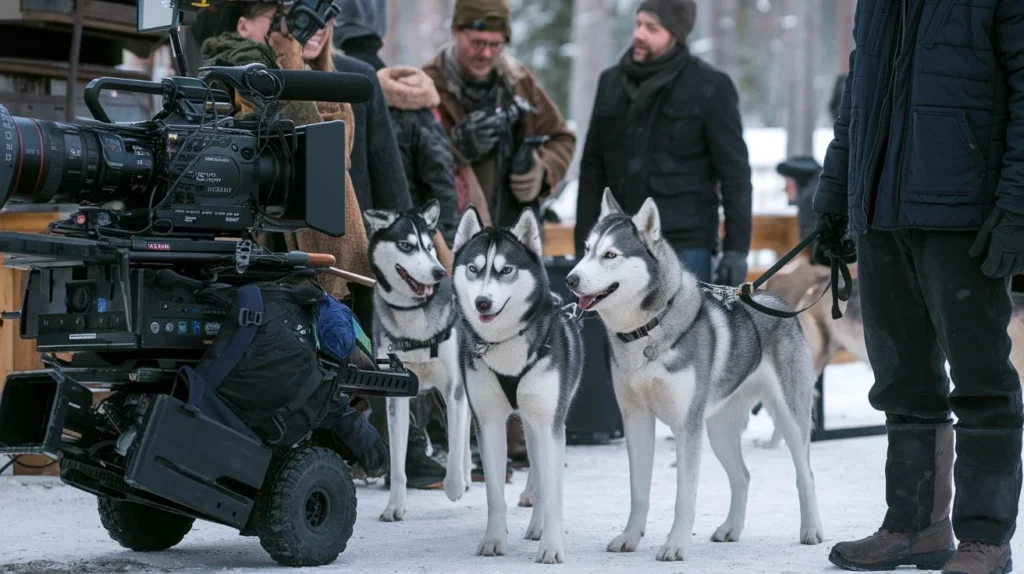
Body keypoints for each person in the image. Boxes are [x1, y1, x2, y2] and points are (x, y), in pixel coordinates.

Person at [813, 1, 1024, 572]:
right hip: (881, 214)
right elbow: (857, 98)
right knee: (902, 381)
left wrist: (1015, 209)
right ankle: (914, 527)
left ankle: (986, 539)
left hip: (965, 215)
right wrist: (836, 194)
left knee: (982, 382)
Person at [191, 1, 388, 478]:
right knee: (296, 360)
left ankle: (332, 453)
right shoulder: (234, 70)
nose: (305, 32)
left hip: (333, 249)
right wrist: (286, 59)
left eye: (315, 21)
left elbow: (342, 157)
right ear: (246, 26)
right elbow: (295, 139)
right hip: (271, 247)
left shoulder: (340, 81)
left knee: (339, 356)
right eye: (286, 21)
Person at [574, 0, 752, 286]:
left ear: (675, 34)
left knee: (687, 331)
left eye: (651, 28)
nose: (639, 34)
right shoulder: (610, 83)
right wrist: (583, 243)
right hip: (616, 246)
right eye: (638, 24)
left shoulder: (710, 87)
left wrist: (736, 251)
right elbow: (591, 169)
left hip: (686, 247)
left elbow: (735, 177)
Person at [421, 0, 576, 231]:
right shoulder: (427, 86)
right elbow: (410, 163)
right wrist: (454, 147)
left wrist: (541, 172)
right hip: (452, 234)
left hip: (516, 237)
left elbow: (561, 138)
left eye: (496, 44)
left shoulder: (518, 81)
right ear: (455, 31)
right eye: (477, 43)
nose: (486, 53)